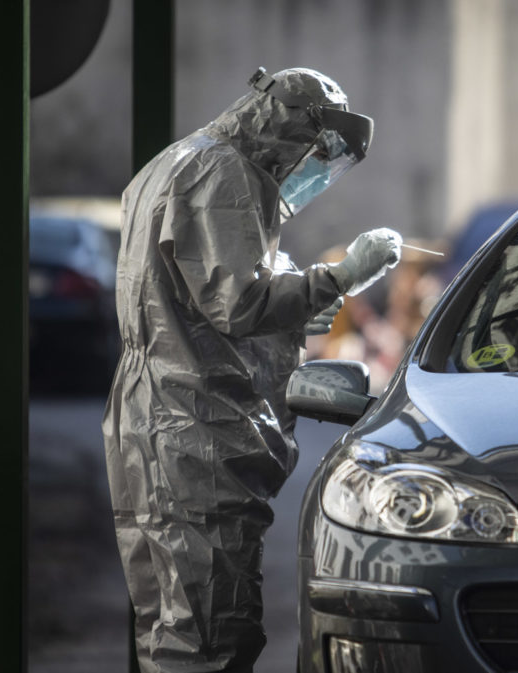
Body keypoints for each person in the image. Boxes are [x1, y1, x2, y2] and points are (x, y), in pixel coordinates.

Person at [102, 67, 401, 672]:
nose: (307, 168)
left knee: (165, 622)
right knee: (211, 629)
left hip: (148, 414)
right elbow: (238, 300)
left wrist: (295, 309)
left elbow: (187, 293)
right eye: (313, 152)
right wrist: (339, 278)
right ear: (293, 129)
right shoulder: (226, 173)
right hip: (198, 425)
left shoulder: (177, 160)